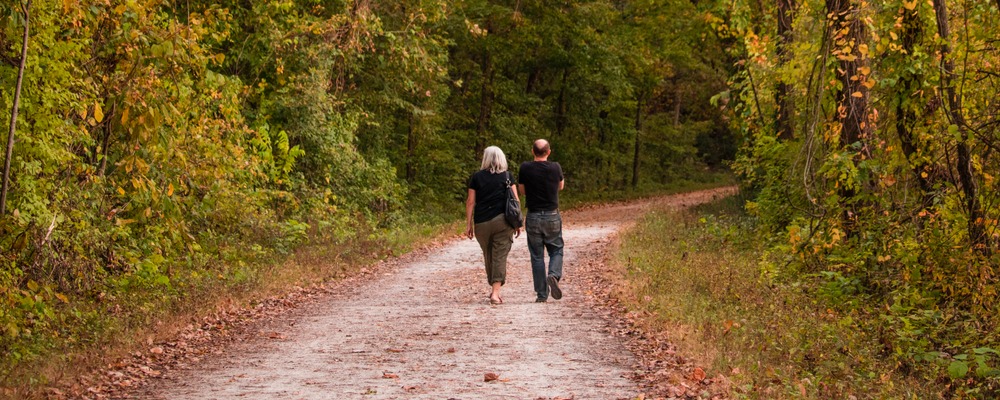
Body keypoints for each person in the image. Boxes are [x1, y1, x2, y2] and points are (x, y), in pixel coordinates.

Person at [466, 146, 521, 305]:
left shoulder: (476, 177)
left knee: (488, 254)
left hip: (481, 223)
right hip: (503, 221)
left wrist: (468, 224)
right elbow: (515, 201)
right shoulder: (507, 176)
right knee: (499, 256)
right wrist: (517, 223)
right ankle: (495, 293)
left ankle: (493, 286)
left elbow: (470, 202)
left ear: (485, 159)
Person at [518, 139, 565, 303]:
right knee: (556, 249)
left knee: (537, 256)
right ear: (548, 152)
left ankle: (541, 294)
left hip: (533, 216)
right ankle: (553, 274)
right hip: (552, 215)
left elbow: (522, 191)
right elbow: (561, 186)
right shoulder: (555, 167)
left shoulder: (525, 167)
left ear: (533, 151)